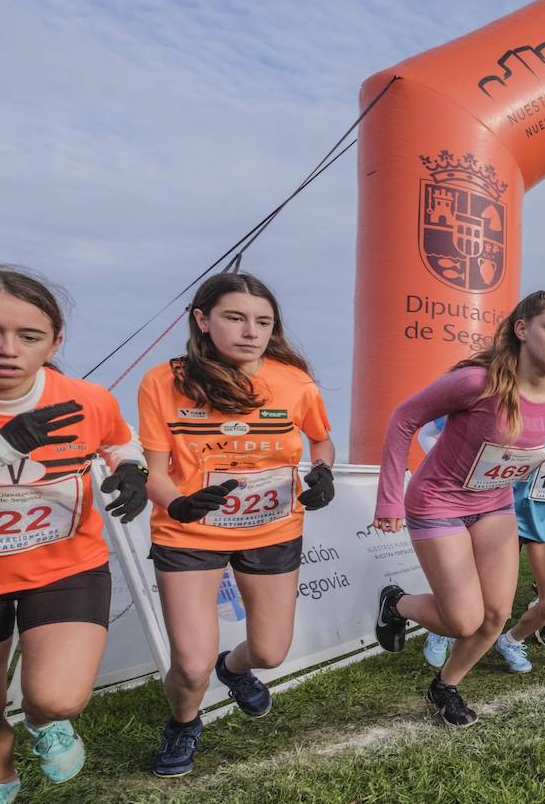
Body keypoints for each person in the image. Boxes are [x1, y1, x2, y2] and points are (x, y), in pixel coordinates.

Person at [136, 273, 335, 778]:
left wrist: (324, 472)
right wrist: (178, 504)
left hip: (272, 529)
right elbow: (154, 474)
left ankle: (235, 668)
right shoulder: (163, 381)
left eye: (263, 321)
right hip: (188, 534)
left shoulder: (295, 381)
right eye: (235, 317)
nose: (251, 331)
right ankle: (184, 723)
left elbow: (321, 441)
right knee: (191, 664)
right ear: (203, 320)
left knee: (269, 652)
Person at [370, 291, 545, 728]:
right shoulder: (477, 382)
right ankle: (397, 604)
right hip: (438, 502)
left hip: (493, 505)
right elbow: (403, 419)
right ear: (522, 329)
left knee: (494, 616)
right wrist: (389, 496)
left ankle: (445, 686)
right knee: (462, 619)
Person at [0, 270, 148, 800]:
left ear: (55, 341)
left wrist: (131, 469)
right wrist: (3, 448)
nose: (7, 350)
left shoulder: (85, 398)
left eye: (29, 336)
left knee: (58, 696)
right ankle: (0, 754)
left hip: (64, 564)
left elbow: (119, 440)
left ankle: (42, 720)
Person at [423, 370, 545, 670]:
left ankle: (511, 641)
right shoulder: (527, 423)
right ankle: (442, 628)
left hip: (543, 523)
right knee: (482, 601)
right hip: (504, 516)